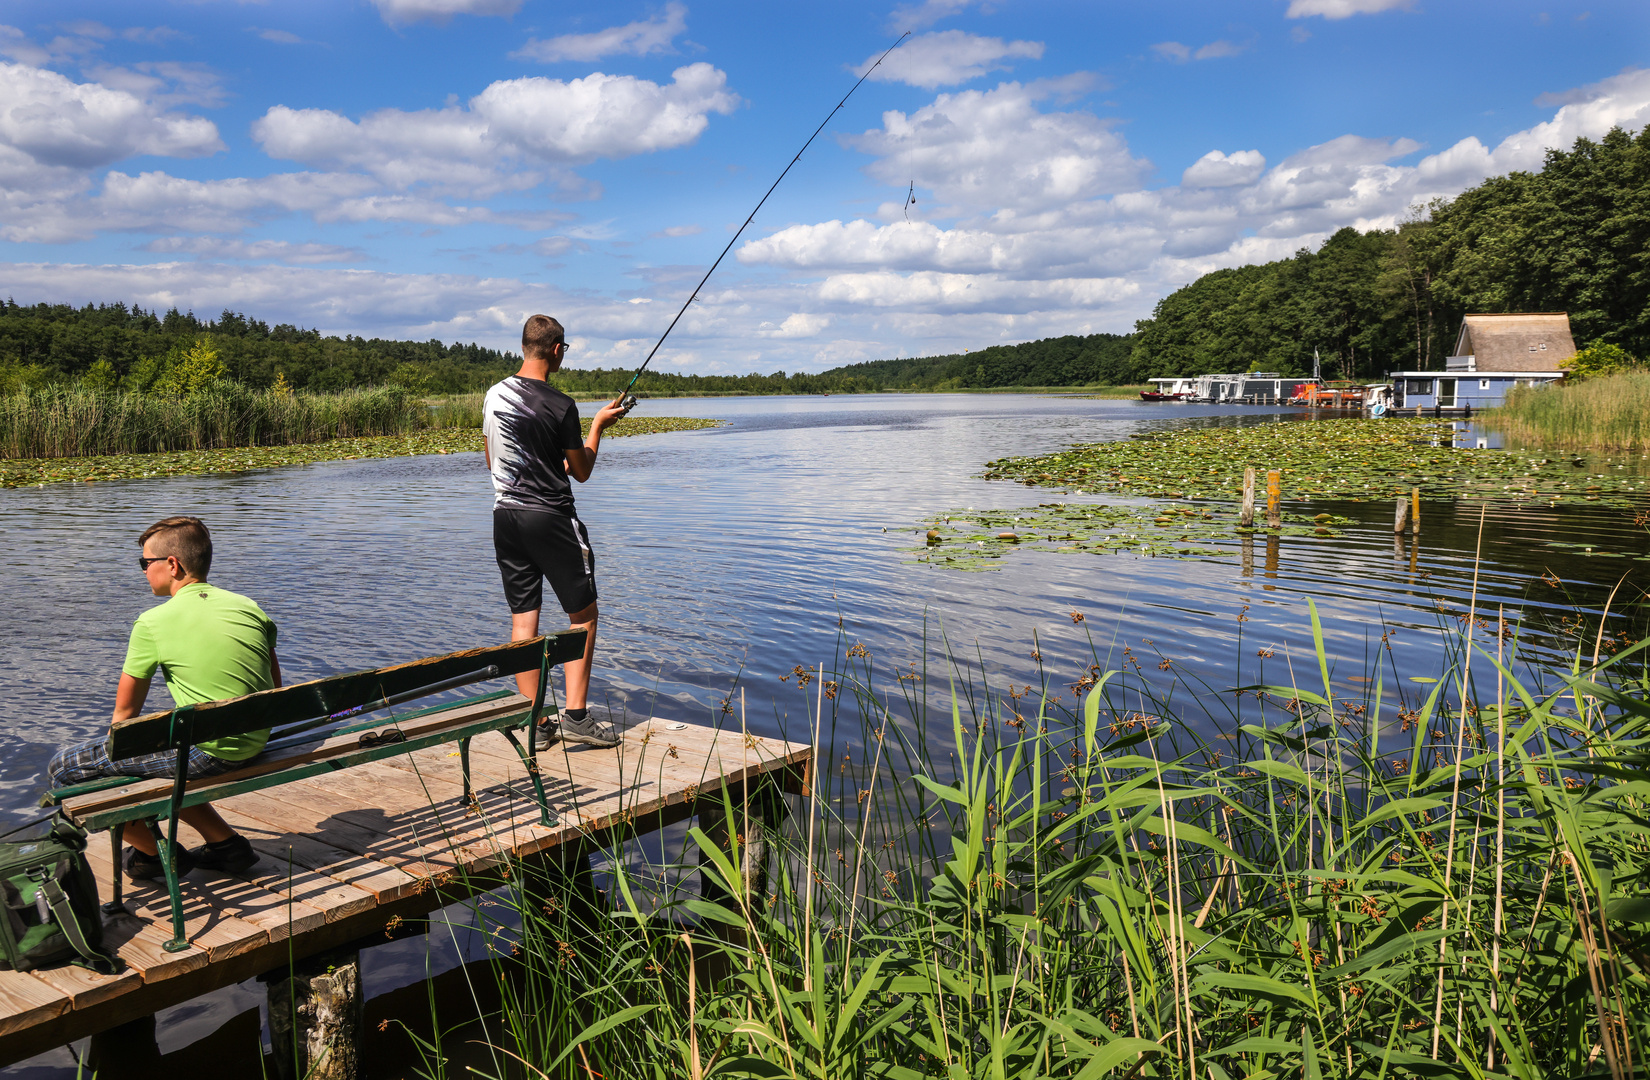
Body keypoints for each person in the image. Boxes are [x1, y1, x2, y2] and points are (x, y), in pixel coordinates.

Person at [47, 517, 275, 882]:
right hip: (255, 738)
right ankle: (227, 847)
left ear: (172, 564)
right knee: (168, 750)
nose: (143, 572)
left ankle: (155, 855)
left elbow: (123, 716)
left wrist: (119, 762)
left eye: (145, 563)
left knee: (65, 769)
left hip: (212, 752)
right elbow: (272, 686)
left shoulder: (153, 623)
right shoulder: (248, 607)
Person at [483, 314, 626, 747]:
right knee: (583, 616)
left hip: (505, 518)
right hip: (550, 518)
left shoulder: (494, 395)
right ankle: (577, 718)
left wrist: (545, 468)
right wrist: (599, 426)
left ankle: (537, 724)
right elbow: (580, 470)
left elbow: (494, 462)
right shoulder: (562, 404)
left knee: (524, 623)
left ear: (525, 346)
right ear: (557, 349)